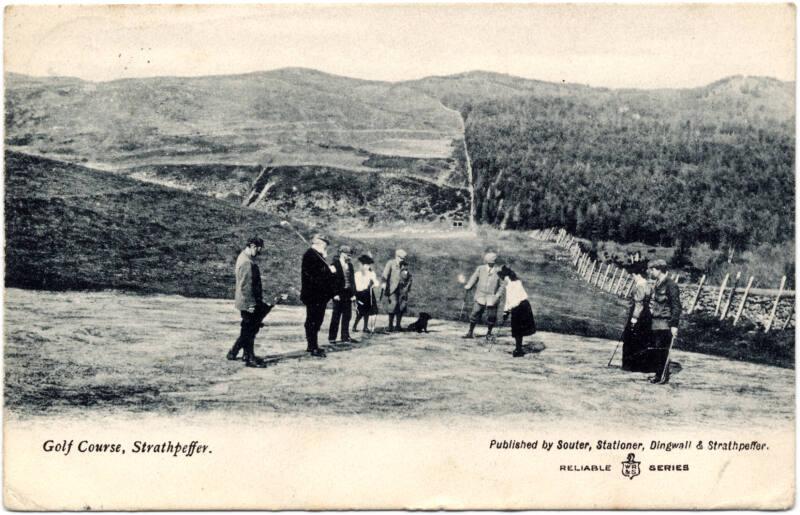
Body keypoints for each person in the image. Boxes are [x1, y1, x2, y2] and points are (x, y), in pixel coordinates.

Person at [227, 237, 271, 368]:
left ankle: (235, 352)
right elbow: (245, 286)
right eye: (258, 249)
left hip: (245, 301)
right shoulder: (246, 262)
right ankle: (249, 358)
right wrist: (251, 304)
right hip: (248, 302)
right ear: (252, 246)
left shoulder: (244, 258)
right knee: (250, 330)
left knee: (248, 329)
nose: (259, 252)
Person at [646, 259, 681, 383]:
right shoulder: (658, 283)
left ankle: (662, 377)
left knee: (662, 350)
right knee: (657, 349)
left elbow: (676, 306)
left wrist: (674, 325)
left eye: (652, 269)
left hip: (665, 323)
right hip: (656, 322)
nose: (650, 272)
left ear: (659, 270)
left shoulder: (671, 285)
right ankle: (658, 374)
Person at [301, 234, 336, 357]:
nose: (326, 248)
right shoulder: (310, 255)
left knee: (317, 320)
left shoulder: (318, 256)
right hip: (313, 294)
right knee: (313, 321)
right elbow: (312, 276)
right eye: (325, 245)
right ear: (319, 244)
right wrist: (328, 272)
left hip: (319, 295)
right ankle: (312, 346)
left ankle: (313, 345)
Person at [621, 260, 653, 372]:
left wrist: (634, 320)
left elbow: (638, 304)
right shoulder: (648, 285)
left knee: (631, 339)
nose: (633, 277)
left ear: (638, 275)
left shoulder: (640, 286)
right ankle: (639, 365)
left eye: (634, 275)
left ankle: (630, 365)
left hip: (638, 316)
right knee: (642, 340)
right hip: (646, 316)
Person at [498, 266, 536, 357]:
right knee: (518, 329)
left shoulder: (510, 284)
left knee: (517, 329)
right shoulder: (516, 282)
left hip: (519, 307)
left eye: (502, 278)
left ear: (506, 277)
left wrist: (506, 312)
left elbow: (511, 301)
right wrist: (506, 311)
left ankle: (518, 350)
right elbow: (511, 300)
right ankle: (518, 348)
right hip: (524, 306)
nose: (502, 280)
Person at [462, 252, 503, 339]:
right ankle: (470, 332)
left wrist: (498, 294)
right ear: (486, 261)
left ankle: (489, 333)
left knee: (491, 315)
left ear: (495, 262)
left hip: (492, 296)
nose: (491, 263)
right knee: (475, 312)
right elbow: (474, 278)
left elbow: (502, 285)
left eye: (493, 262)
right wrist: (469, 285)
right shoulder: (480, 269)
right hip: (480, 294)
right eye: (489, 262)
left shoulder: (499, 271)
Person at [329, 245, 357, 344]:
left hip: (348, 293)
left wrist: (353, 294)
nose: (349, 256)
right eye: (347, 254)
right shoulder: (334, 264)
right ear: (341, 253)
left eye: (350, 255)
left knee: (347, 316)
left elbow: (352, 281)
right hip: (338, 294)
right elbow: (331, 281)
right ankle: (332, 338)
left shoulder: (350, 265)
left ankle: (345, 337)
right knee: (336, 316)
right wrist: (334, 294)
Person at [382, 249, 411, 331]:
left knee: (402, 306)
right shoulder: (390, 263)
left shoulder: (405, 265)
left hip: (403, 289)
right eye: (401, 258)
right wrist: (384, 283)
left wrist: (407, 287)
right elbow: (385, 274)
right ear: (397, 256)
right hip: (392, 288)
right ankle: (390, 326)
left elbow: (409, 276)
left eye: (404, 258)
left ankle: (398, 325)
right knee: (393, 305)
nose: (403, 260)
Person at [353, 254, 378, 333]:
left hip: (369, 293)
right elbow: (356, 285)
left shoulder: (371, 274)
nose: (367, 267)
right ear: (362, 265)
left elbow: (377, 283)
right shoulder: (357, 274)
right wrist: (358, 293)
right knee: (360, 312)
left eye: (368, 265)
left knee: (368, 310)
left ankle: (365, 327)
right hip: (360, 294)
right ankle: (354, 326)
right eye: (365, 265)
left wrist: (372, 284)